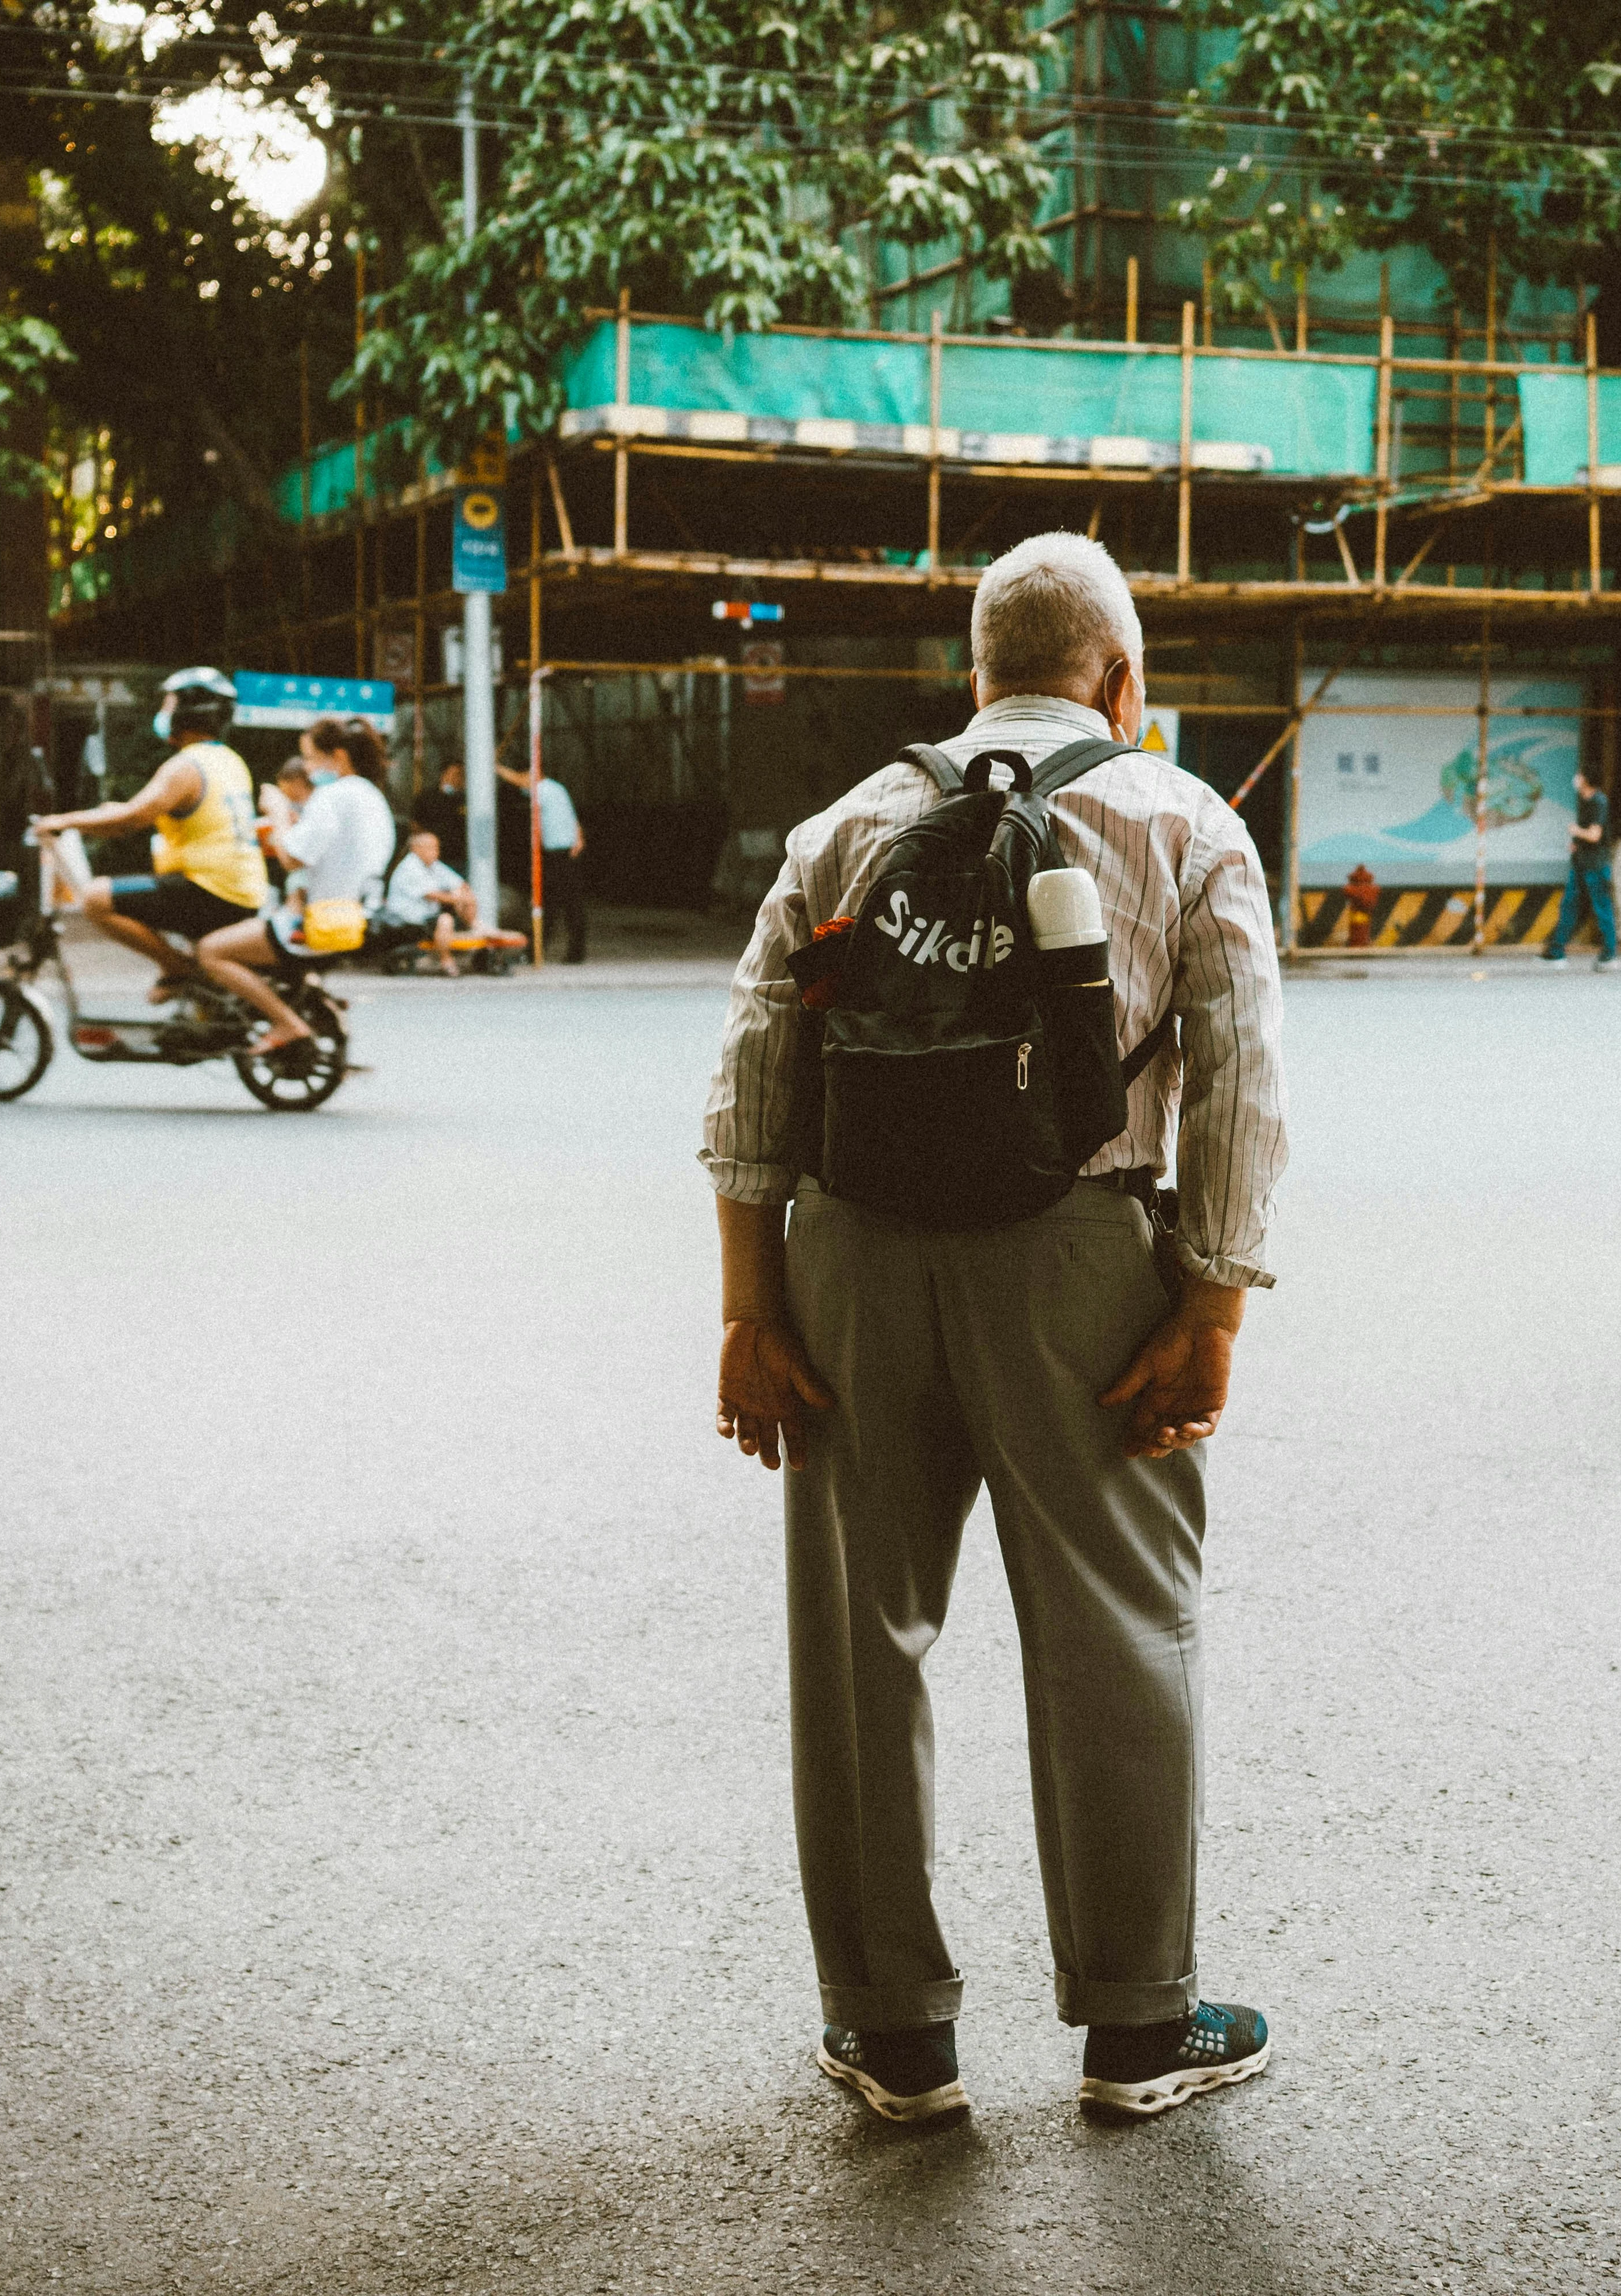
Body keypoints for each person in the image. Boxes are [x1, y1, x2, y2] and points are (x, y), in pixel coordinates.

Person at [701, 529, 1288, 2128]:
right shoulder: (1181, 818)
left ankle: (897, 2041)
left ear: (971, 679)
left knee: (859, 1642)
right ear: (1124, 680)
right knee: (1115, 1632)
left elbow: (758, 1083)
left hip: (852, 1265)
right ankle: (1137, 2034)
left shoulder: (848, 825)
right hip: (1084, 1259)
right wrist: (1213, 1309)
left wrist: (754, 1309)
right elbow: (1240, 1087)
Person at [32, 667, 268, 998]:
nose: (163, 714)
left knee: (96, 898)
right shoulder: (227, 760)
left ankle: (176, 968)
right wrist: (92, 815)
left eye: (169, 706)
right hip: (240, 891)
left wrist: (65, 821)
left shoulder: (185, 767)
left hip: (211, 892)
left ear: (187, 714)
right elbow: (137, 809)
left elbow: (132, 819)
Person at [197, 716, 395, 1054]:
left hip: (316, 924)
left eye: (310, 757)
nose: (306, 767)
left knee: (211, 951)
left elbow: (290, 857)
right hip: (358, 916)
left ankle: (286, 1023)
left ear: (339, 757)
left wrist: (275, 809)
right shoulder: (371, 797)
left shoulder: (333, 796)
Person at [498, 763, 586, 963]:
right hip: (565, 852)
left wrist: (497, 768)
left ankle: (542, 951)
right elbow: (573, 817)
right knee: (559, 904)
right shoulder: (558, 789)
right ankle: (545, 950)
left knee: (555, 903)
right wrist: (579, 838)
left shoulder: (543, 789)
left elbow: (519, 780)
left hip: (559, 854)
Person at [1541, 763, 1618, 968]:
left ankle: (1610, 953)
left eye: (1581, 775)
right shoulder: (1586, 801)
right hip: (1581, 863)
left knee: (1601, 907)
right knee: (1569, 905)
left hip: (1596, 864)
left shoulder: (1599, 802)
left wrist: (1577, 832)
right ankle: (1557, 950)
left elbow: (1595, 835)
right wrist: (1577, 843)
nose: (1577, 778)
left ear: (1587, 780)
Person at [379, 823, 478, 972]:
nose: (436, 852)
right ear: (417, 849)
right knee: (446, 920)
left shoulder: (433, 865)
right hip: (407, 919)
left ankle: (474, 926)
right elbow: (431, 895)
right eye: (432, 848)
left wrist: (462, 894)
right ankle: (446, 961)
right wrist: (459, 899)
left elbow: (459, 883)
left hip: (426, 917)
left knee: (463, 895)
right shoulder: (410, 867)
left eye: (437, 848)